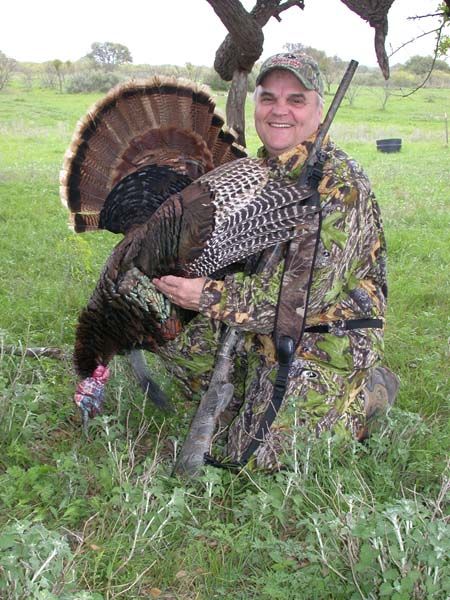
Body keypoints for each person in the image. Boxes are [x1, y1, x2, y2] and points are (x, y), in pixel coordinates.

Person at [153, 52, 399, 470]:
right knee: (165, 329)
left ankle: (365, 395)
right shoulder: (253, 173)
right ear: (256, 106)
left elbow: (304, 298)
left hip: (323, 331)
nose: (279, 110)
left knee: (254, 459)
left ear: (318, 110)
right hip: (256, 321)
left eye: (296, 99)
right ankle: (251, 398)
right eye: (268, 98)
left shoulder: (341, 185)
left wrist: (210, 296)